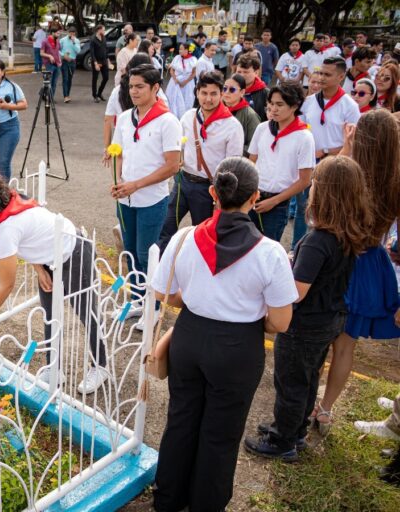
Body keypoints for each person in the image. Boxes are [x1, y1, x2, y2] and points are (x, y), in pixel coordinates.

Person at [152, 157, 297, 512]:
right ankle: (206, 503)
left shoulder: (185, 237)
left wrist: (200, 297)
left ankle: (168, 498)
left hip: (189, 336)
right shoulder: (271, 253)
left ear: (213, 193)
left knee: (181, 418)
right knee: (222, 432)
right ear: (255, 196)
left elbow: (162, 293)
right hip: (238, 347)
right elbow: (280, 322)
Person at [245, 156, 372, 461]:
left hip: (304, 324)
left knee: (290, 381)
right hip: (330, 318)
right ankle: (295, 429)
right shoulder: (347, 231)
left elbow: (297, 292)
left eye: (315, 184)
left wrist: (282, 271)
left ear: (324, 193)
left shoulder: (317, 240)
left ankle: (282, 441)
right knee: (309, 376)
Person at [0, 169, 107, 393]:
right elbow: (32, 233)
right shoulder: (3, 208)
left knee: (86, 311)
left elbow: (7, 284)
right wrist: (39, 267)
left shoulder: (5, 228)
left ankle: (101, 366)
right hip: (48, 256)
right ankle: (54, 368)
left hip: (72, 249)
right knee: (49, 314)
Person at [311, 109, 400, 435]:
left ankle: (308, 400)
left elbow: (322, 184)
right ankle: (326, 409)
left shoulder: (351, 172)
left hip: (338, 259)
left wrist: (346, 147)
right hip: (372, 265)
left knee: (319, 340)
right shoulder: (395, 178)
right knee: (346, 347)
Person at [111, 65, 181, 315]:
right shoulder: (124, 118)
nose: (134, 91)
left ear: (155, 88)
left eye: (140, 86)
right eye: (130, 86)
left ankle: (154, 306)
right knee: (129, 252)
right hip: (126, 199)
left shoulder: (168, 121)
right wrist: (119, 180)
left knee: (146, 254)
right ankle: (138, 301)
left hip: (152, 199)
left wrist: (136, 184)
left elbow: (173, 166)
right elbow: (118, 153)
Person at [158, 70, 243, 250]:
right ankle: (160, 271)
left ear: (222, 94)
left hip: (209, 189)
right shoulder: (188, 117)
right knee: (165, 227)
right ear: (197, 93)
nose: (208, 99)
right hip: (182, 182)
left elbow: (233, 168)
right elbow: (179, 146)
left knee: (204, 237)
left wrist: (222, 197)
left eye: (213, 93)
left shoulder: (232, 126)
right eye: (204, 93)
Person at [295, 57, 360, 249]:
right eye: (321, 73)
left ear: (341, 77)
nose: (321, 78)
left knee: (330, 209)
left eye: (327, 74)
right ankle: (298, 247)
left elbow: (352, 141)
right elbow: (301, 130)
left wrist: (324, 151)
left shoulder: (349, 106)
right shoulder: (308, 102)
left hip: (335, 164)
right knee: (303, 208)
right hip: (308, 162)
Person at [247, 81, 315, 242]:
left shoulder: (304, 137)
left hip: (278, 203)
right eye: (271, 104)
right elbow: (251, 161)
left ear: (294, 106)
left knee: (268, 250)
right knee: (245, 245)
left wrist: (274, 201)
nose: (273, 109)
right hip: (253, 197)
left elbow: (305, 180)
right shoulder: (262, 128)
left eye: (280, 104)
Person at [223, 73, 261, 156]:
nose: (226, 92)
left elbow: (255, 146)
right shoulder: (215, 109)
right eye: (224, 88)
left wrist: (230, 150)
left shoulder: (250, 116)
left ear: (242, 92)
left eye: (232, 90)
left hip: (236, 162)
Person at [165, 42, 197, 120]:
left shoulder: (193, 59)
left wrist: (185, 82)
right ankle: (174, 116)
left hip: (187, 83)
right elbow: (172, 70)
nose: (180, 51)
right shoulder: (177, 58)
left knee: (187, 100)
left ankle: (185, 118)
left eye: (182, 49)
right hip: (175, 82)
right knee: (174, 100)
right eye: (179, 49)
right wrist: (175, 79)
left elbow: (193, 73)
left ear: (187, 50)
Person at [236, 53, 269, 121]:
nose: (241, 75)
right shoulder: (229, 90)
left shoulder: (266, 93)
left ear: (256, 73)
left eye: (246, 72)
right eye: (239, 72)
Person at [59, 27, 81, 103]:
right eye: (70, 32)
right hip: (65, 61)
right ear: (68, 32)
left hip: (72, 61)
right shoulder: (62, 40)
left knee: (70, 79)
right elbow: (58, 50)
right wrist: (63, 55)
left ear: (75, 33)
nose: (71, 34)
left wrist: (74, 42)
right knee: (65, 79)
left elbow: (78, 51)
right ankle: (65, 96)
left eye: (73, 33)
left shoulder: (77, 41)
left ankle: (68, 95)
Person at [40, 28, 62, 98]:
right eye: (57, 33)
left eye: (59, 33)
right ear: (52, 32)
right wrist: (49, 56)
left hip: (57, 64)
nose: (58, 35)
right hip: (49, 64)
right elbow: (41, 53)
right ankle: (45, 95)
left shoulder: (58, 41)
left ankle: (50, 98)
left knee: (54, 83)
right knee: (49, 82)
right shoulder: (45, 41)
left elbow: (58, 52)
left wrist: (60, 60)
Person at [91, 24, 109, 103]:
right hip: (97, 62)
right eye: (103, 30)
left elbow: (106, 49)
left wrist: (108, 60)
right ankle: (95, 96)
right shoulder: (93, 39)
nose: (104, 31)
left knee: (106, 77)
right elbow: (92, 53)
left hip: (104, 61)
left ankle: (99, 93)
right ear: (99, 30)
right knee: (95, 79)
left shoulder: (104, 38)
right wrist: (95, 63)